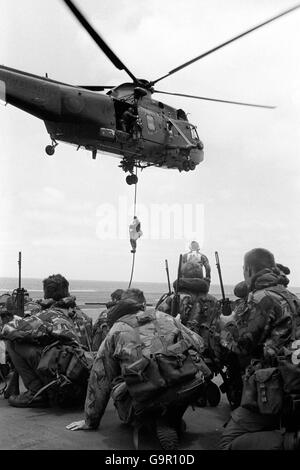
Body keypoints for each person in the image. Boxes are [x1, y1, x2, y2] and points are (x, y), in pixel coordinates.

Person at [66, 288, 209, 450]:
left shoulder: (116, 330)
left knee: (117, 382)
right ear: (142, 304)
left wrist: (90, 421)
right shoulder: (165, 317)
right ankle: (171, 418)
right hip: (188, 384)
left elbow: (99, 377)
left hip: (149, 392)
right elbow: (199, 343)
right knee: (181, 383)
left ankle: (151, 422)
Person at [218, 248, 300, 450]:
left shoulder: (259, 298)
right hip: (293, 377)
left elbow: (241, 345)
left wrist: (226, 324)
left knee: (228, 443)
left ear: (248, 269)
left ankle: (291, 442)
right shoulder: (291, 296)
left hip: (271, 386)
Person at [0, 274, 93, 408]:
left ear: (46, 294)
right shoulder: (84, 316)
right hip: (84, 382)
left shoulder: (48, 315)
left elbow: (8, 330)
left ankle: (36, 392)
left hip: (64, 385)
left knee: (13, 342)